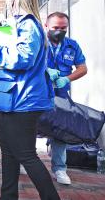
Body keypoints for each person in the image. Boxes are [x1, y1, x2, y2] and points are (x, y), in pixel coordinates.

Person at [0, 0, 61, 200]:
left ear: (18, 2)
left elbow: (22, 59)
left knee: (26, 155)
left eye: (11, 1)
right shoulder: (24, 25)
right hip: (14, 101)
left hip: (22, 102)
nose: (9, 6)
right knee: (9, 153)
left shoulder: (28, 25)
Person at [45, 11, 87, 185]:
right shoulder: (38, 43)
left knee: (61, 130)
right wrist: (45, 71)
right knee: (31, 127)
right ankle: (26, 162)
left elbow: (82, 68)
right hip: (39, 93)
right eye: (56, 27)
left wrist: (66, 78)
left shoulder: (72, 45)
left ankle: (60, 169)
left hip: (61, 94)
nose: (60, 31)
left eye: (64, 28)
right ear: (46, 26)